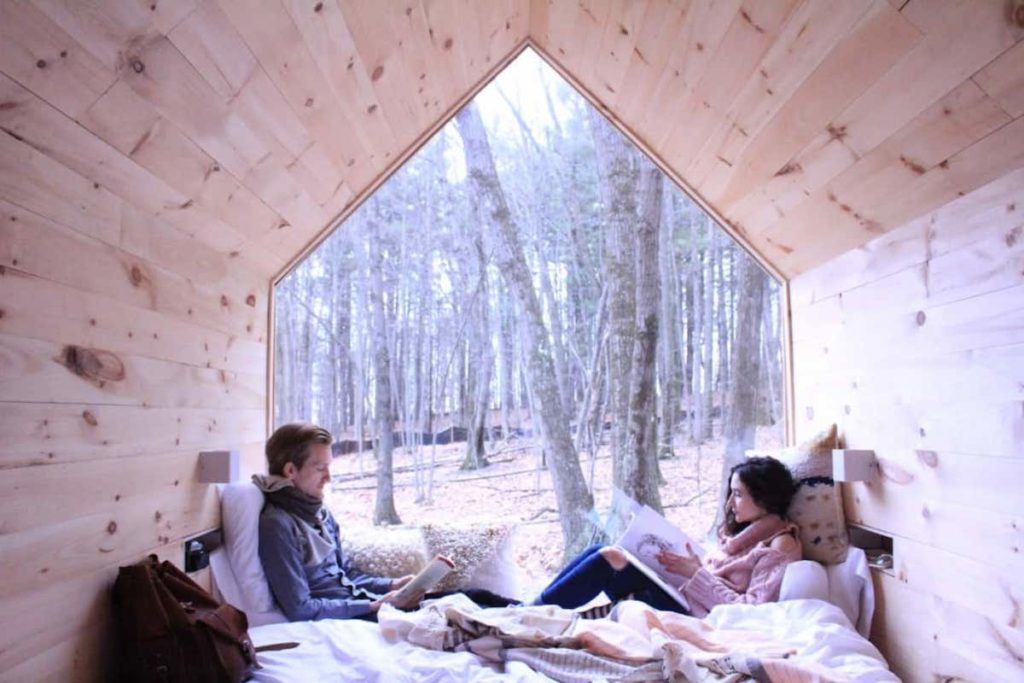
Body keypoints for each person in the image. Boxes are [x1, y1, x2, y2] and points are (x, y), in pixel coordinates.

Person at [534, 456, 802, 616]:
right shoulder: (742, 534)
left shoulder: (780, 545)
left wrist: (696, 573)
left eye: (739, 494)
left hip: (696, 614)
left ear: (766, 496)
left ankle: (528, 612)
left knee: (608, 557)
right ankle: (531, 608)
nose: (730, 503)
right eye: (730, 493)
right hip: (681, 594)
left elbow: (752, 611)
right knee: (603, 551)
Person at [255, 422, 423, 621]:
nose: (329, 477)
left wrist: (391, 585)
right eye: (320, 468)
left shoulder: (321, 513)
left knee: (463, 598)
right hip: (349, 617)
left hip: (363, 604)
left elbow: (345, 574)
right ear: (290, 470)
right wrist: (375, 606)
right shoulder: (278, 525)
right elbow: (301, 608)